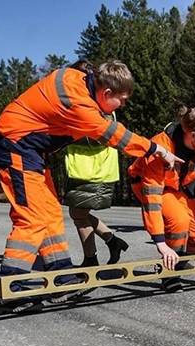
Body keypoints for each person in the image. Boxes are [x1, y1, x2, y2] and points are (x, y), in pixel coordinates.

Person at [0, 60, 182, 314]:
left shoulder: (78, 80)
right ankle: (8, 287)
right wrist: (157, 150)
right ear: (106, 93)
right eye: (121, 100)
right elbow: (116, 136)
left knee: (50, 213)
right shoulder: (81, 106)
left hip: (31, 150)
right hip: (15, 145)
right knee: (32, 218)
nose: (122, 105)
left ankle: (60, 274)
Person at [129, 106, 195, 292]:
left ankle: (180, 262)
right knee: (179, 221)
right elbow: (151, 197)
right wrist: (161, 244)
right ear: (193, 135)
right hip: (153, 188)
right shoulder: (160, 148)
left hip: (178, 187)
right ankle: (169, 272)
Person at [62, 61, 129, 278]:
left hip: (96, 171)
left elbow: (98, 139)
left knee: (79, 215)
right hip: (85, 170)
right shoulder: (91, 103)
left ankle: (92, 260)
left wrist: (65, 136)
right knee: (78, 213)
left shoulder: (100, 107)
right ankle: (111, 243)